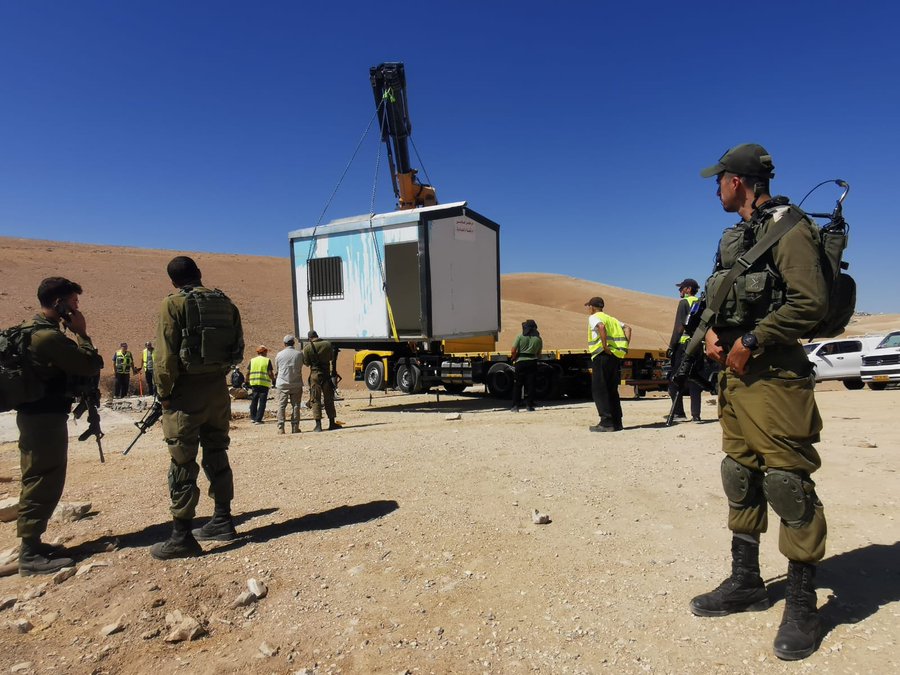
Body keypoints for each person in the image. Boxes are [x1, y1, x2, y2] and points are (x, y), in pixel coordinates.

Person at [691, 144, 829, 661]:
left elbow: (809, 303)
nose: (716, 187)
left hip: (775, 377)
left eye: (720, 179)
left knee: (786, 482)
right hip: (736, 378)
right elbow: (721, 296)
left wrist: (752, 340)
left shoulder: (789, 229)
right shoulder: (735, 237)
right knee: (740, 473)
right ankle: (746, 581)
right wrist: (714, 334)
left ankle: (802, 604)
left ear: (738, 181)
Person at [151, 256, 244, 560]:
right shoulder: (225, 303)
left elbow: (164, 358)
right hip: (217, 390)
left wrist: (164, 395)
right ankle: (222, 521)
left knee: (182, 462)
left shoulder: (173, 304)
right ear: (199, 274)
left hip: (185, 395)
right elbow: (237, 348)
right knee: (217, 452)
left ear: (172, 281)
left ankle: (181, 537)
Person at [15, 277, 104, 575]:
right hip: (44, 417)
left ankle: (34, 544)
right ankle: (29, 553)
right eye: (74, 304)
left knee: (41, 475)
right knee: (43, 477)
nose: (77, 309)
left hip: (38, 414)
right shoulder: (47, 337)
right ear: (59, 304)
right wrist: (83, 333)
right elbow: (90, 364)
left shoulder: (33, 331)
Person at [585, 297, 629, 432]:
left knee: (599, 389)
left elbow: (601, 327)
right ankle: (617, 422)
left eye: (588, 307)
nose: (588, 309)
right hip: (614, 356)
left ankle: (606, 422)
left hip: (601, 355)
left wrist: (604, 346)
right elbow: (628, 328)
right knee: (611, 389)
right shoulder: (612, 319)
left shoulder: (594, 317)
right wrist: (625, 346)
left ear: (592, 307)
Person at [667, 278, 703, 422]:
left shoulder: (684, 303)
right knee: (694, 379)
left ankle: (678, 413)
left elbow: (679, 327)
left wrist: (671, 346)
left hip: (683, 346)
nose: (680, 291)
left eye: (681, 288)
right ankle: (696, 415)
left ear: (688, 289)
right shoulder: (702, 303)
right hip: (698, 345)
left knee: (674, 379)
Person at [302, 330, 339, 431]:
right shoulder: (327, 344)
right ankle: (332, 423)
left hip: (315, 375)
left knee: (315, 399)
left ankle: (318, 425)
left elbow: (306, 363)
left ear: (310, 338)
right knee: (329, 399)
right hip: (326, 375)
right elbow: (331, 358)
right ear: (317, 336)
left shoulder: (307, 347)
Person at [510, 319, 543, 412]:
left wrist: (513, 358)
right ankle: (529, 405)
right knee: (531, 384)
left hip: (520, 362)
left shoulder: (520, 337)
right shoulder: (538, 339)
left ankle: (515, 406)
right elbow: (539, 354)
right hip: (532, 362)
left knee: (518, 385)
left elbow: (513, 350)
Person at [274, 334, 304, 434]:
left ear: (284, 343)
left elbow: (277, 369)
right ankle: (295, 427)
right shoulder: (299, 354)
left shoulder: (279, 354)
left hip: (282, 383)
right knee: (296, 405)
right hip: (296, 383)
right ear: (293, 343)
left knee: (282, 405)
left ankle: (280, 428)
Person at [248, 346, 274, 424]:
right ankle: (258, 419)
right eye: (266, 352)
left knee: (254, 400)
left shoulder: (252, 360)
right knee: (262, 402)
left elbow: (247, 373)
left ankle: (253, 417)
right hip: (264, 384)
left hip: (254, 383)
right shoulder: (267, 360)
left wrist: (246, 382)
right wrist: (274, 380)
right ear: (264, 352)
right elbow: (270, 373)